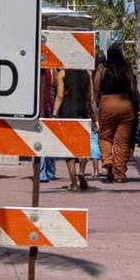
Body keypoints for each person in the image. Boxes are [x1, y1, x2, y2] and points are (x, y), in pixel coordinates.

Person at [97, 43, 140, 183]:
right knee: (122, 141)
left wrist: (93, 106)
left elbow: (96, 88)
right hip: (126, 103)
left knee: (105, 136)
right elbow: (134, 88)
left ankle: (108, 161)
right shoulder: (126, 68)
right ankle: (120, 174)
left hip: (108, 103)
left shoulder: (103, 68)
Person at [54, 63, 94, 191]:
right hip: (83, 111)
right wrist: (95, 118)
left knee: (69, 148)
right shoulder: (87, 75)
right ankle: (81, 171)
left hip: (67, 111)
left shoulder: (62, 74)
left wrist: (54, 114)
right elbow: (91, 97)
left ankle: (73, 183)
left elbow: (60, 95)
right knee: (82, 146)